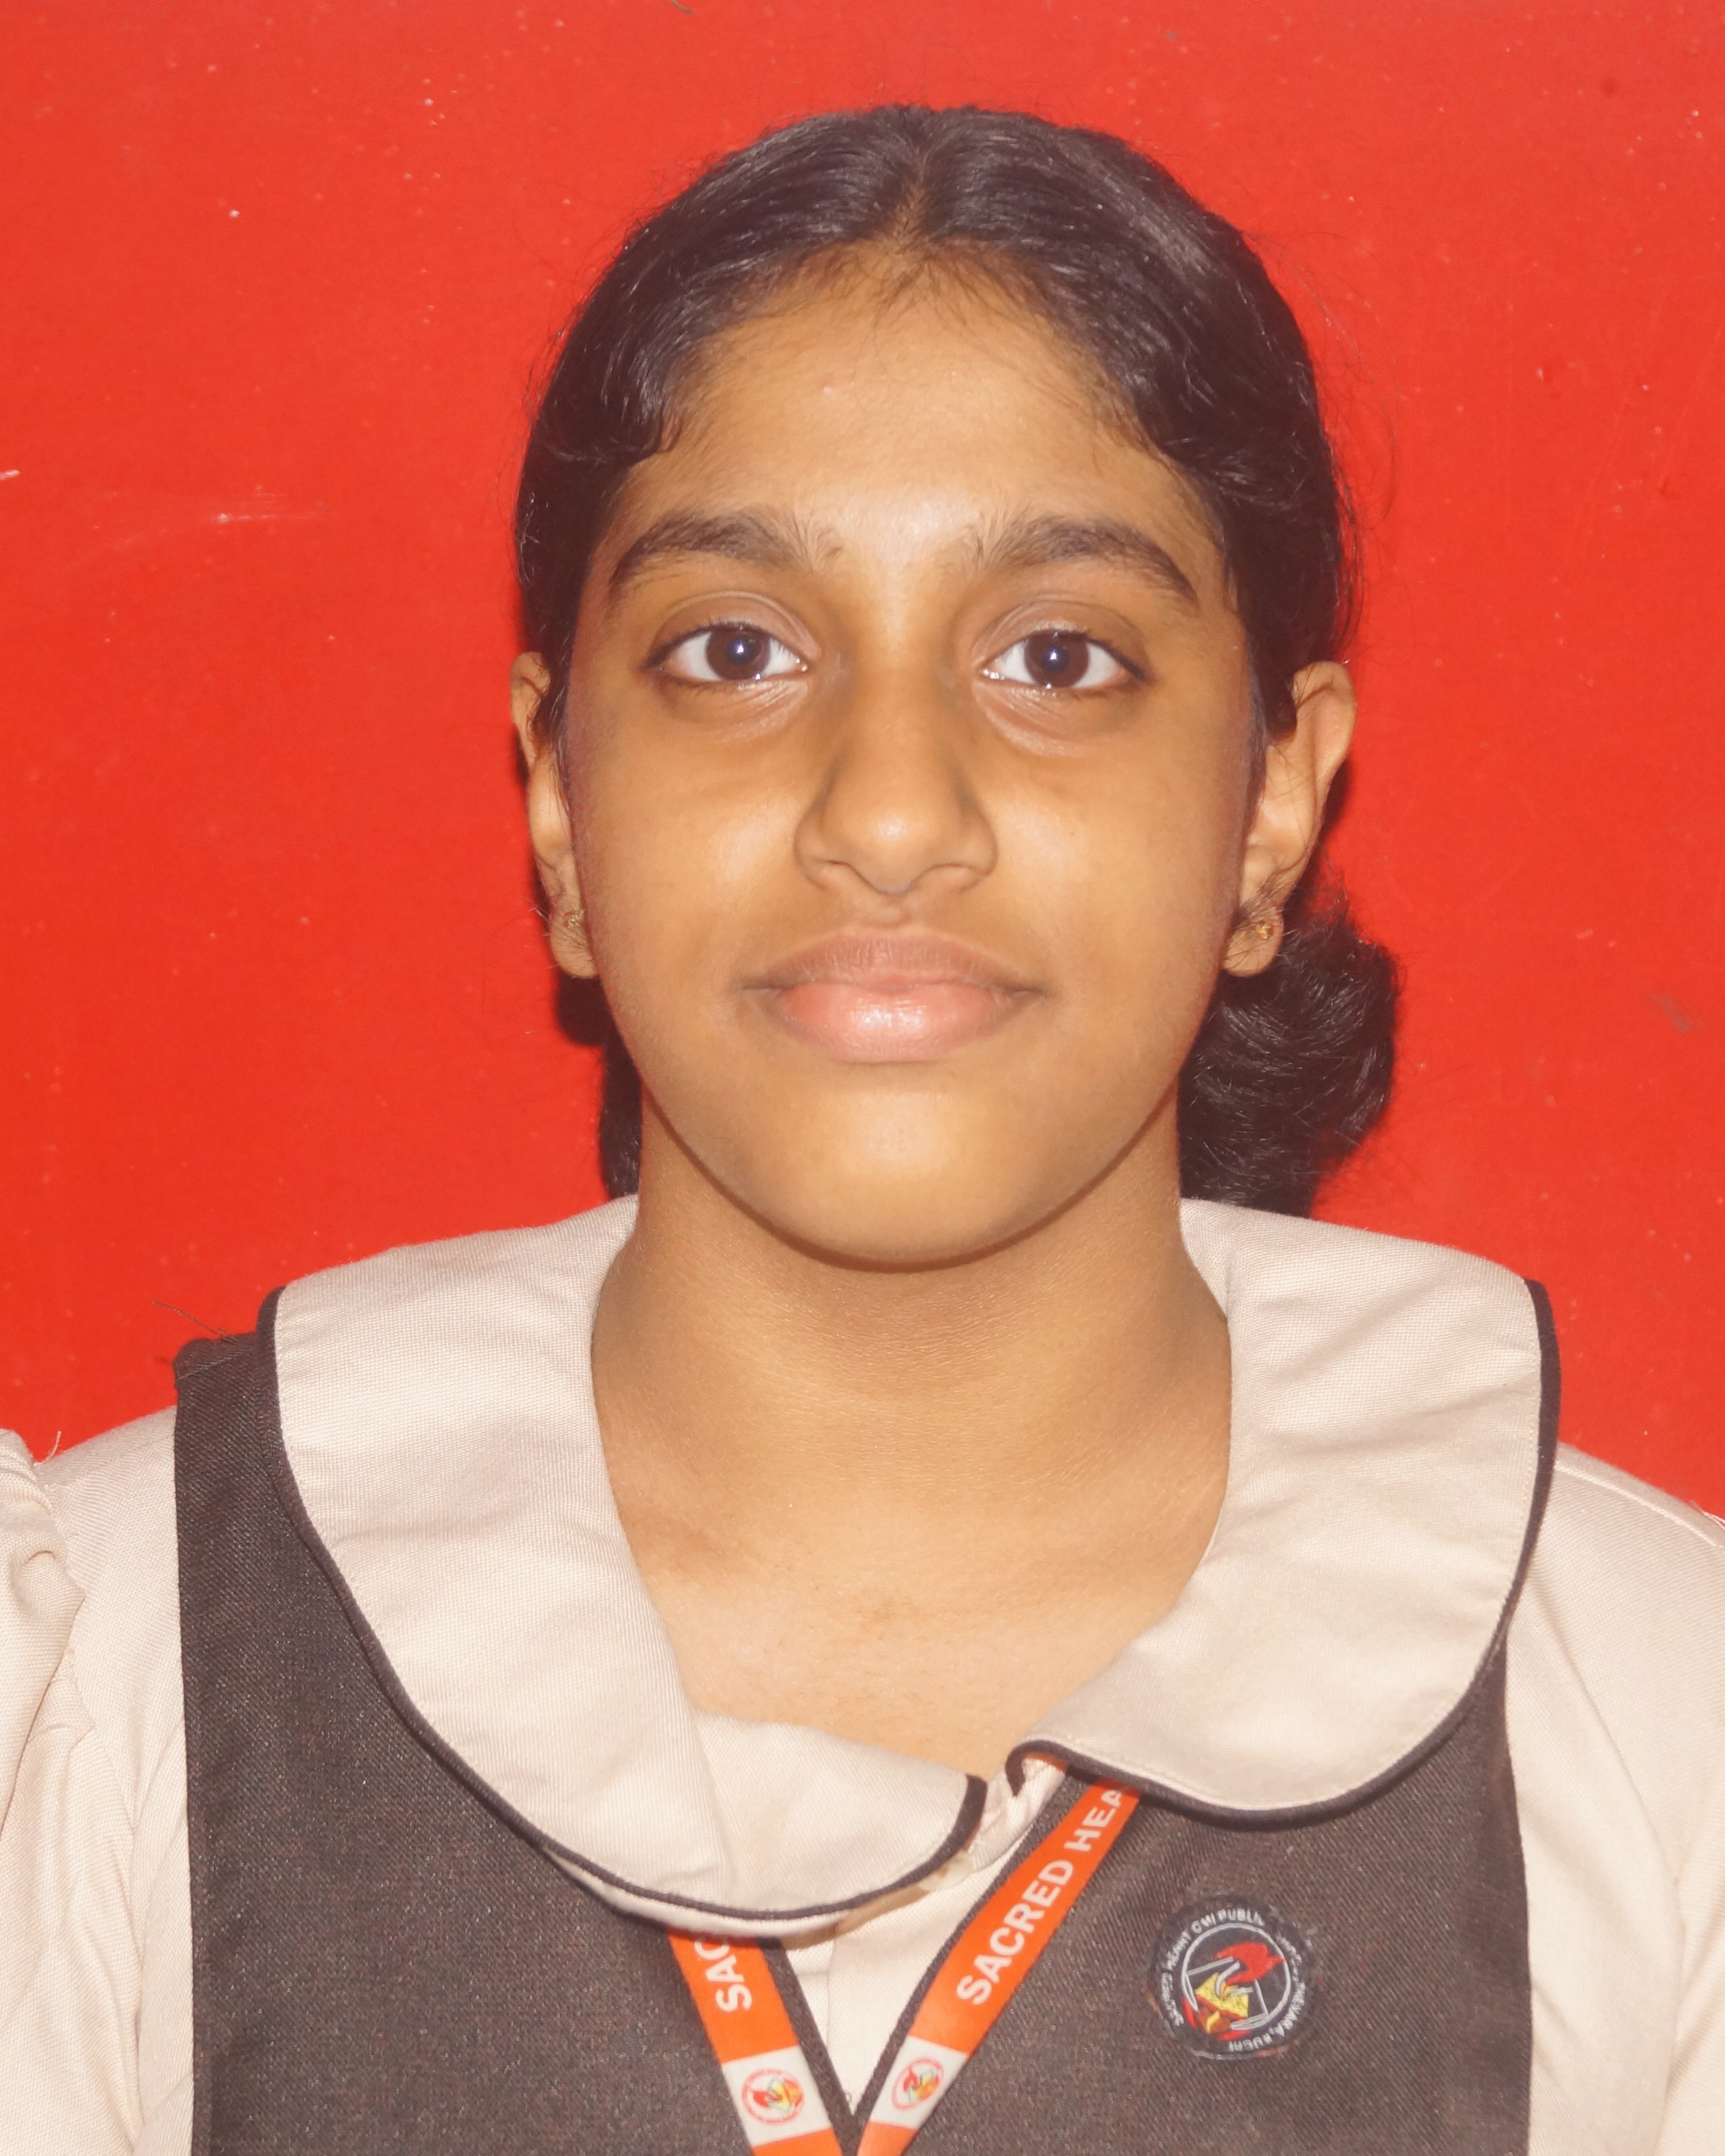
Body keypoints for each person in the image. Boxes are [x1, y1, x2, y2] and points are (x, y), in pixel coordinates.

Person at [2, 104, 1721, 2156]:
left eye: (1058, 658)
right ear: (558, 795)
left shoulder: (1657, 1727)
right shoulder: (105, 1686)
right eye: (735, 652)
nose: (891, 812)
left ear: (1271, 797)